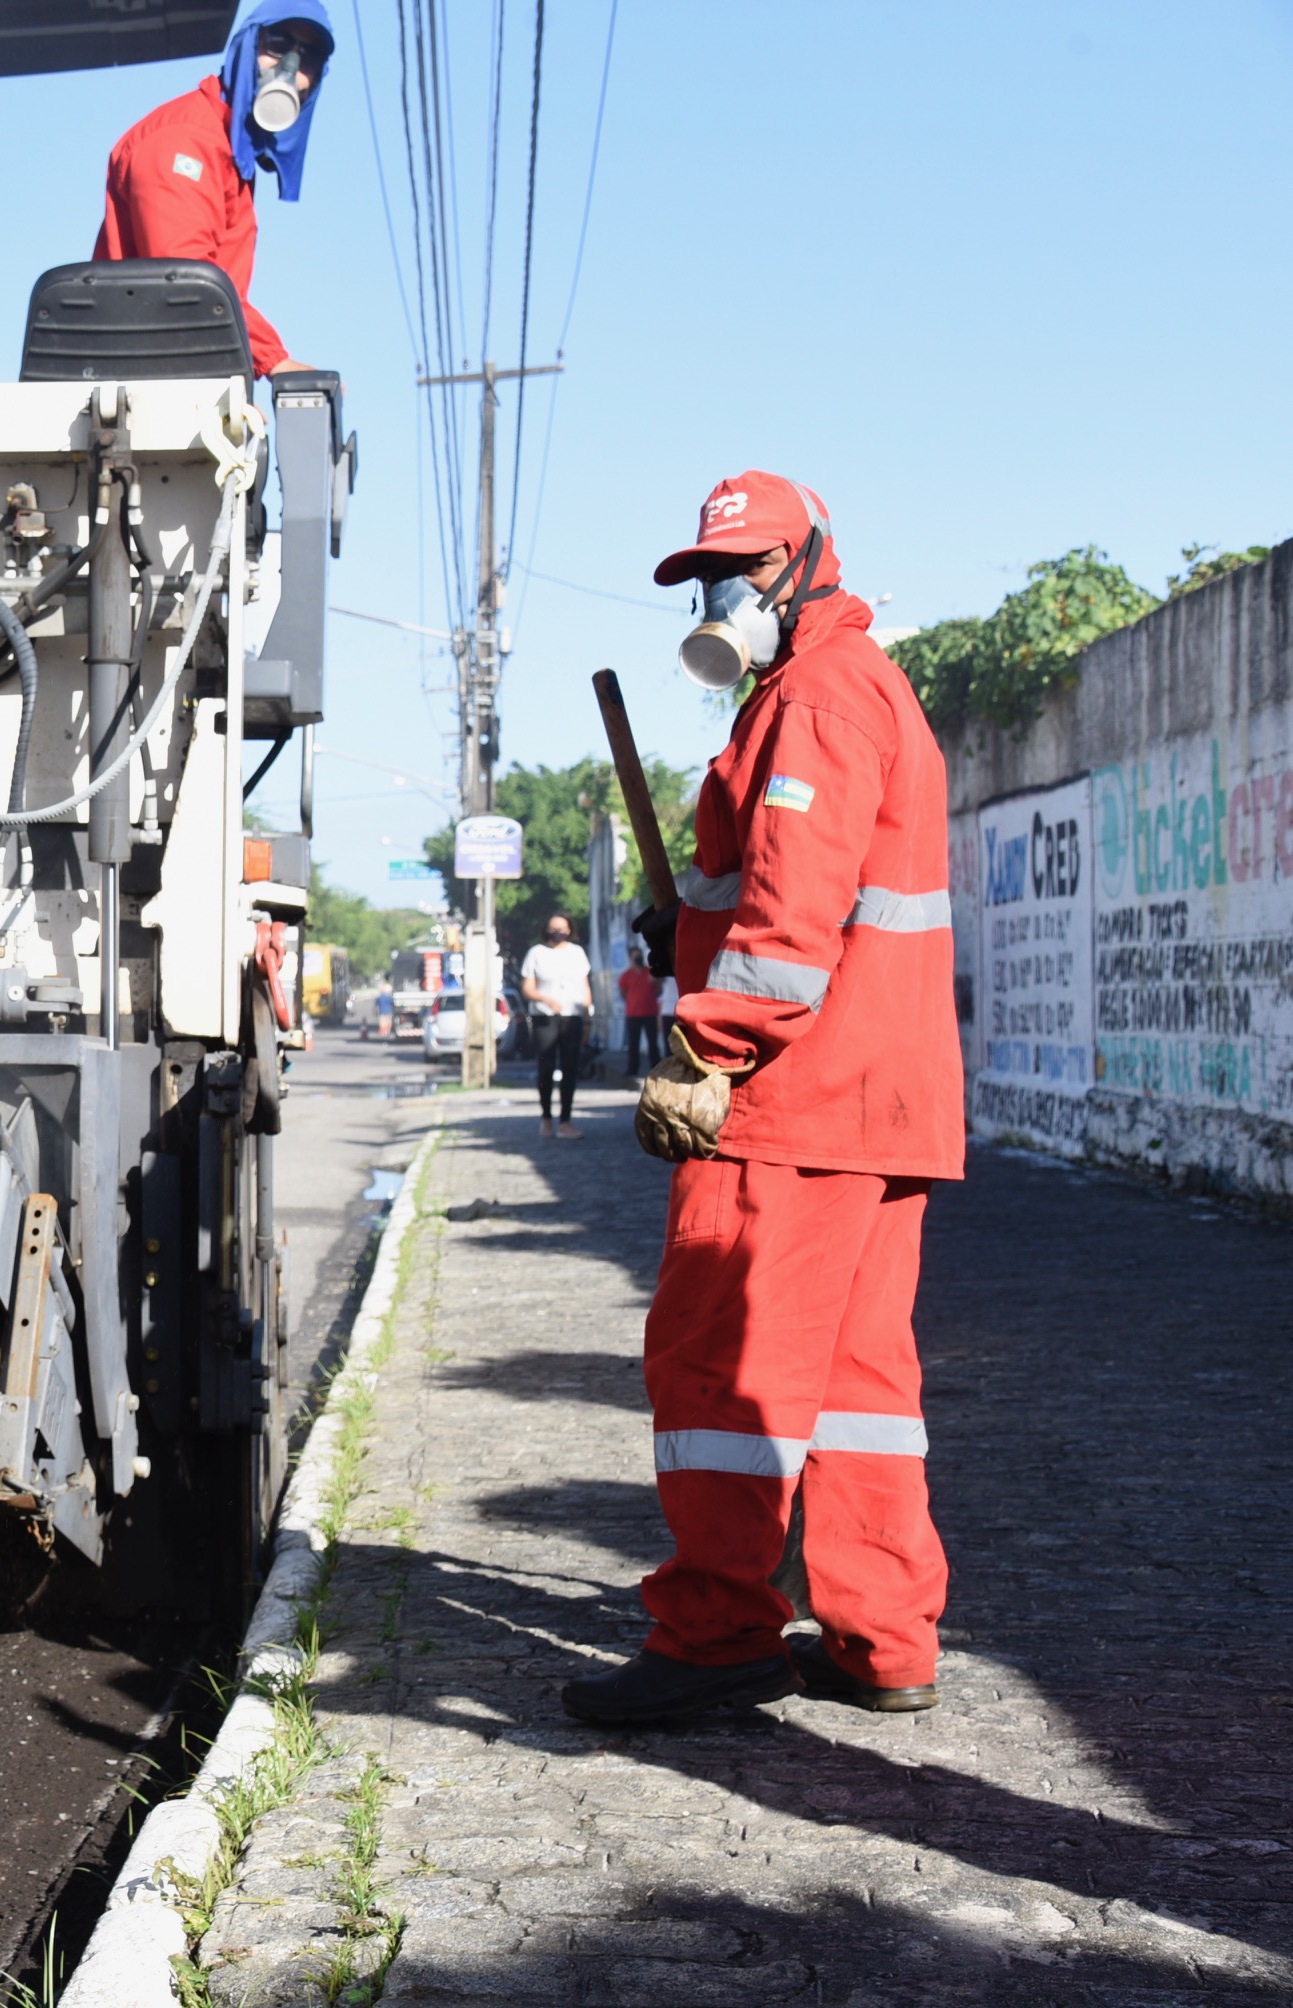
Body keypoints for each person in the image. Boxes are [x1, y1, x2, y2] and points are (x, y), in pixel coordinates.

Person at [563, 471, 964, 1727]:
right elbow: (786, 895)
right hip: (875, 1100)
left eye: (744, 569)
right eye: (706, 576)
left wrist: (708, 1045)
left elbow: (793, 926)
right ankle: (882, 1634)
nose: (725, 595)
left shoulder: (816, 695)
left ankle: (715, 1635)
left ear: (808, 566)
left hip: (793, 1098)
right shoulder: (847, 690)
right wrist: (684, 924)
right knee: (857, 1383)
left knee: (715, 1364)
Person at [95, 5, 331, 380]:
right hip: (139, 381)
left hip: (181, 371)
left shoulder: (231, 154)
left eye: (308, 56)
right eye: (279, 44)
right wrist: (273, 360)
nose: (289, 67)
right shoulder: (186, 140)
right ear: (246, 46)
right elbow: (187, 283)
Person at [519, 913, 591, 1138]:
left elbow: (585, 986)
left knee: (570, 1068)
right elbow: (527, 988)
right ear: (546, 930)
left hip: (573, 1016)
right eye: (553, 928)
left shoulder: (577, 953)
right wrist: (547, 1000)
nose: (558, 932)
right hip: (545, 1017)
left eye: (562, 928)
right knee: (546, 1068)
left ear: (570, 930)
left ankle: (566, 1120)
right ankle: (546, 1118)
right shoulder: (536, 954)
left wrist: (588, 1015)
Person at [617, 944, 661, 1077]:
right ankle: (632, 1069)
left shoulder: (650, 972)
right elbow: (623, 993)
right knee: (633, 1044)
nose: (638, 958)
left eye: (639, 956)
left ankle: (656, 1068)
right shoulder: (626, 975)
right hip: (633, 1014)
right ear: (631, 958)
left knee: (653, 1043)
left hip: (650, 1013)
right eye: (635, 956)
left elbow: (658, 990)